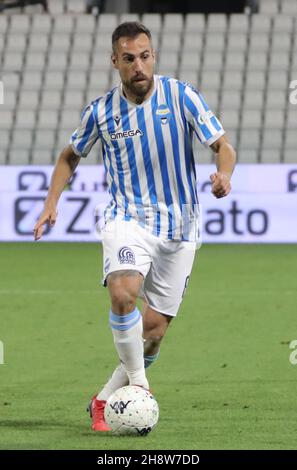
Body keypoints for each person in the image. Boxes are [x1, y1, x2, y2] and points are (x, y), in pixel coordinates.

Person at [34, 22, 236, 432]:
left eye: (145, 56)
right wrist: (51, 201)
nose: (139, 65)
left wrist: (224, 174)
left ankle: (105, 398)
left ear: (153, 56)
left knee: (154, 332)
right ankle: (141, 387)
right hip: (127, 218)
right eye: (129, 59)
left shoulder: (181, 96)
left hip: (180, 226)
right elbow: (69, 156)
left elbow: (222, 145)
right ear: (116, 62)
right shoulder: (101, 111)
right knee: (123, 293)